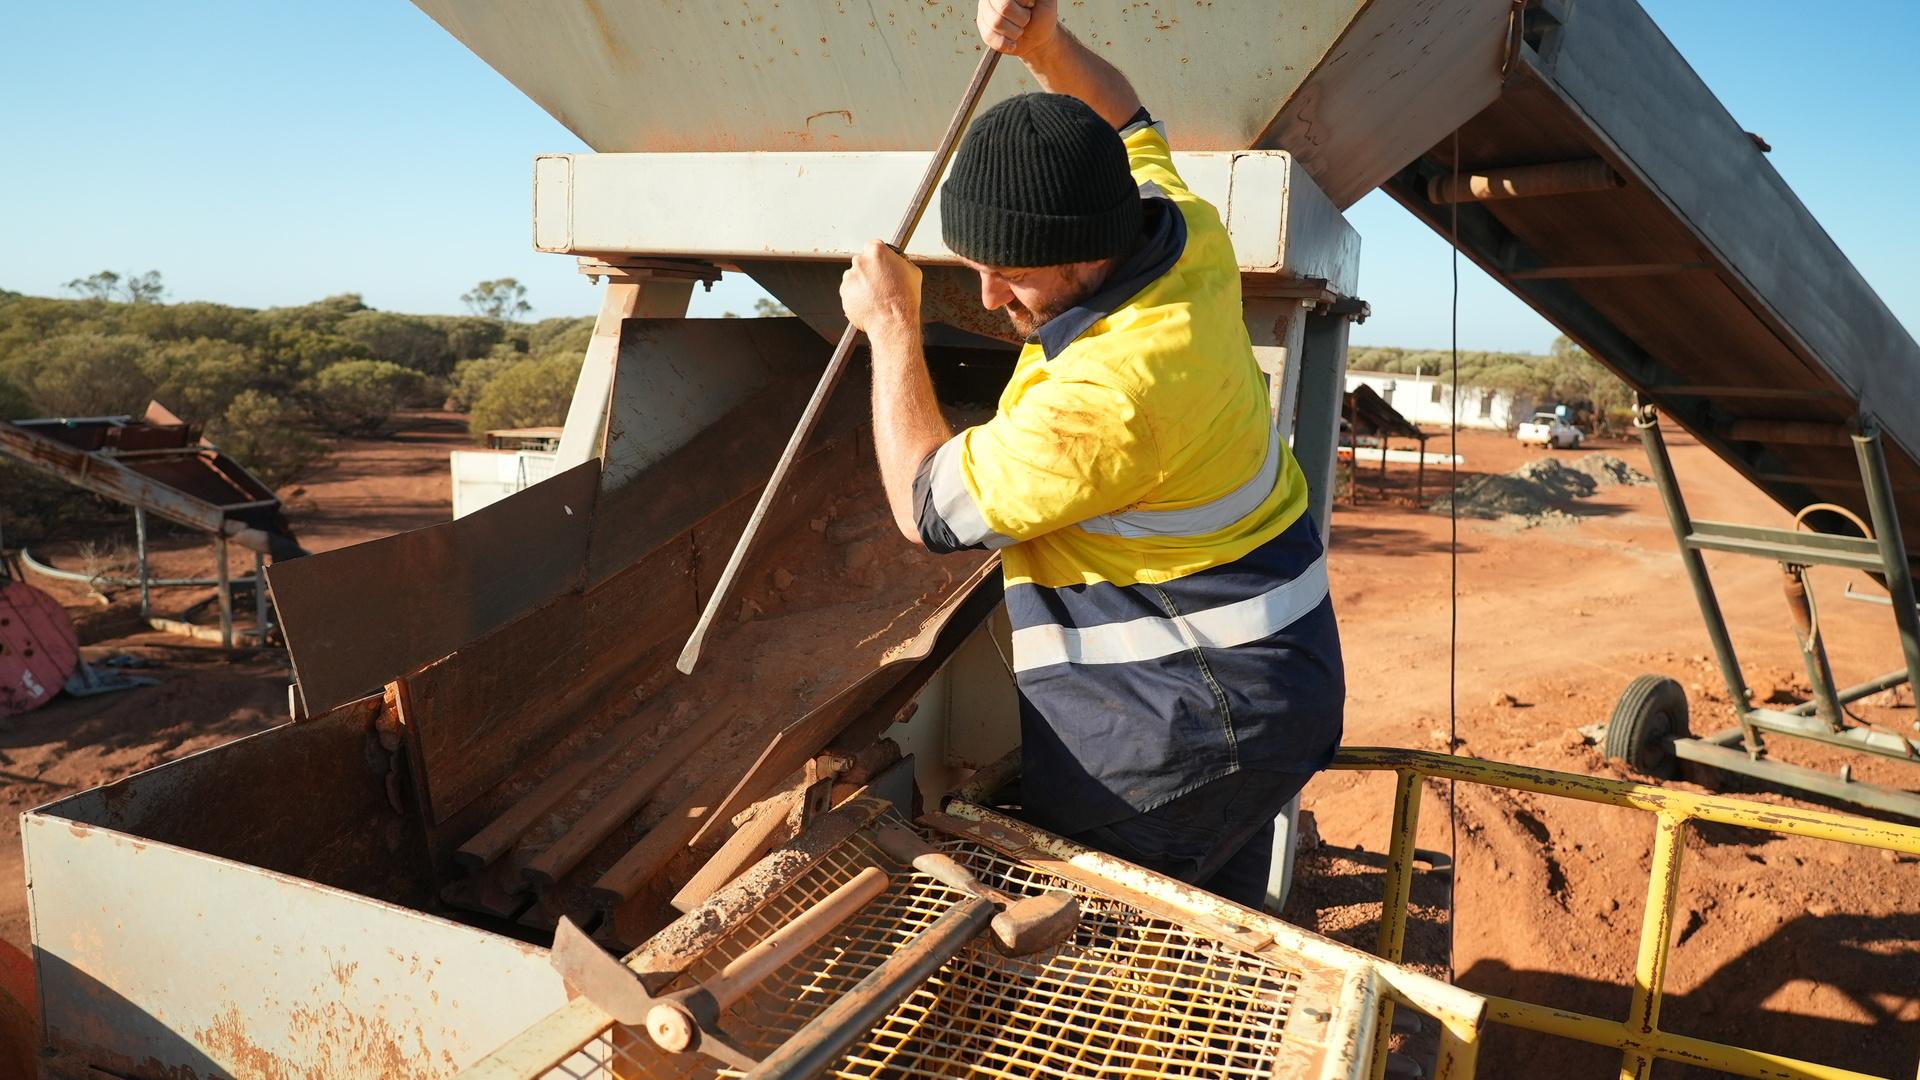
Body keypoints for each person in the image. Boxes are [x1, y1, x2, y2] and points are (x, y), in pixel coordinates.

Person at [838, 0, 1344, 909]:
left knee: (1111, 940)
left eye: (1016, 271)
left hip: (1187, 728)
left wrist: (890, 326)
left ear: (1087, 252)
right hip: (1268, 669)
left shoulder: (1118, 394)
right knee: (1209, 927)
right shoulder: (1178, 225)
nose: (990, 296)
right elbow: (1127, 120)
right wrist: (1046, 46)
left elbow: (925, 508)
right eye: (977, 264)